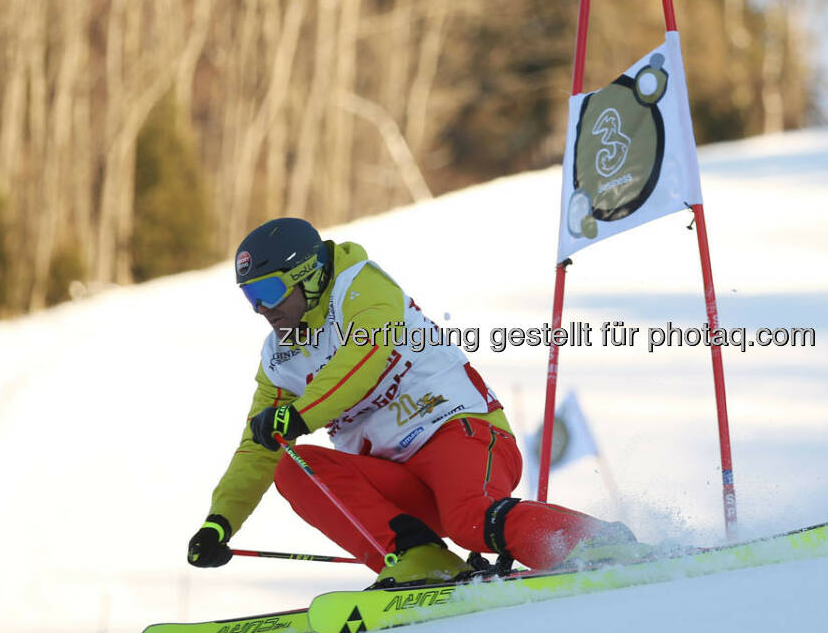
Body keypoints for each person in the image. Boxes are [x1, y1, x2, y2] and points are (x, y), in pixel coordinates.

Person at [187, 216, 646, 587]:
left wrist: (302, 413)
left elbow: (365, 355)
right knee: (294, 465)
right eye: (250, 297)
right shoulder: (279, 358)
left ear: (305, 274)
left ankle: (594, 543)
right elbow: (259, 445)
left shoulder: (360, 287)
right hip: (399, 479)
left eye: (267, 292)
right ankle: (420, 559)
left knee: (469, 520)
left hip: (458, 432)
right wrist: (220, 523)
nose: (261, 309)